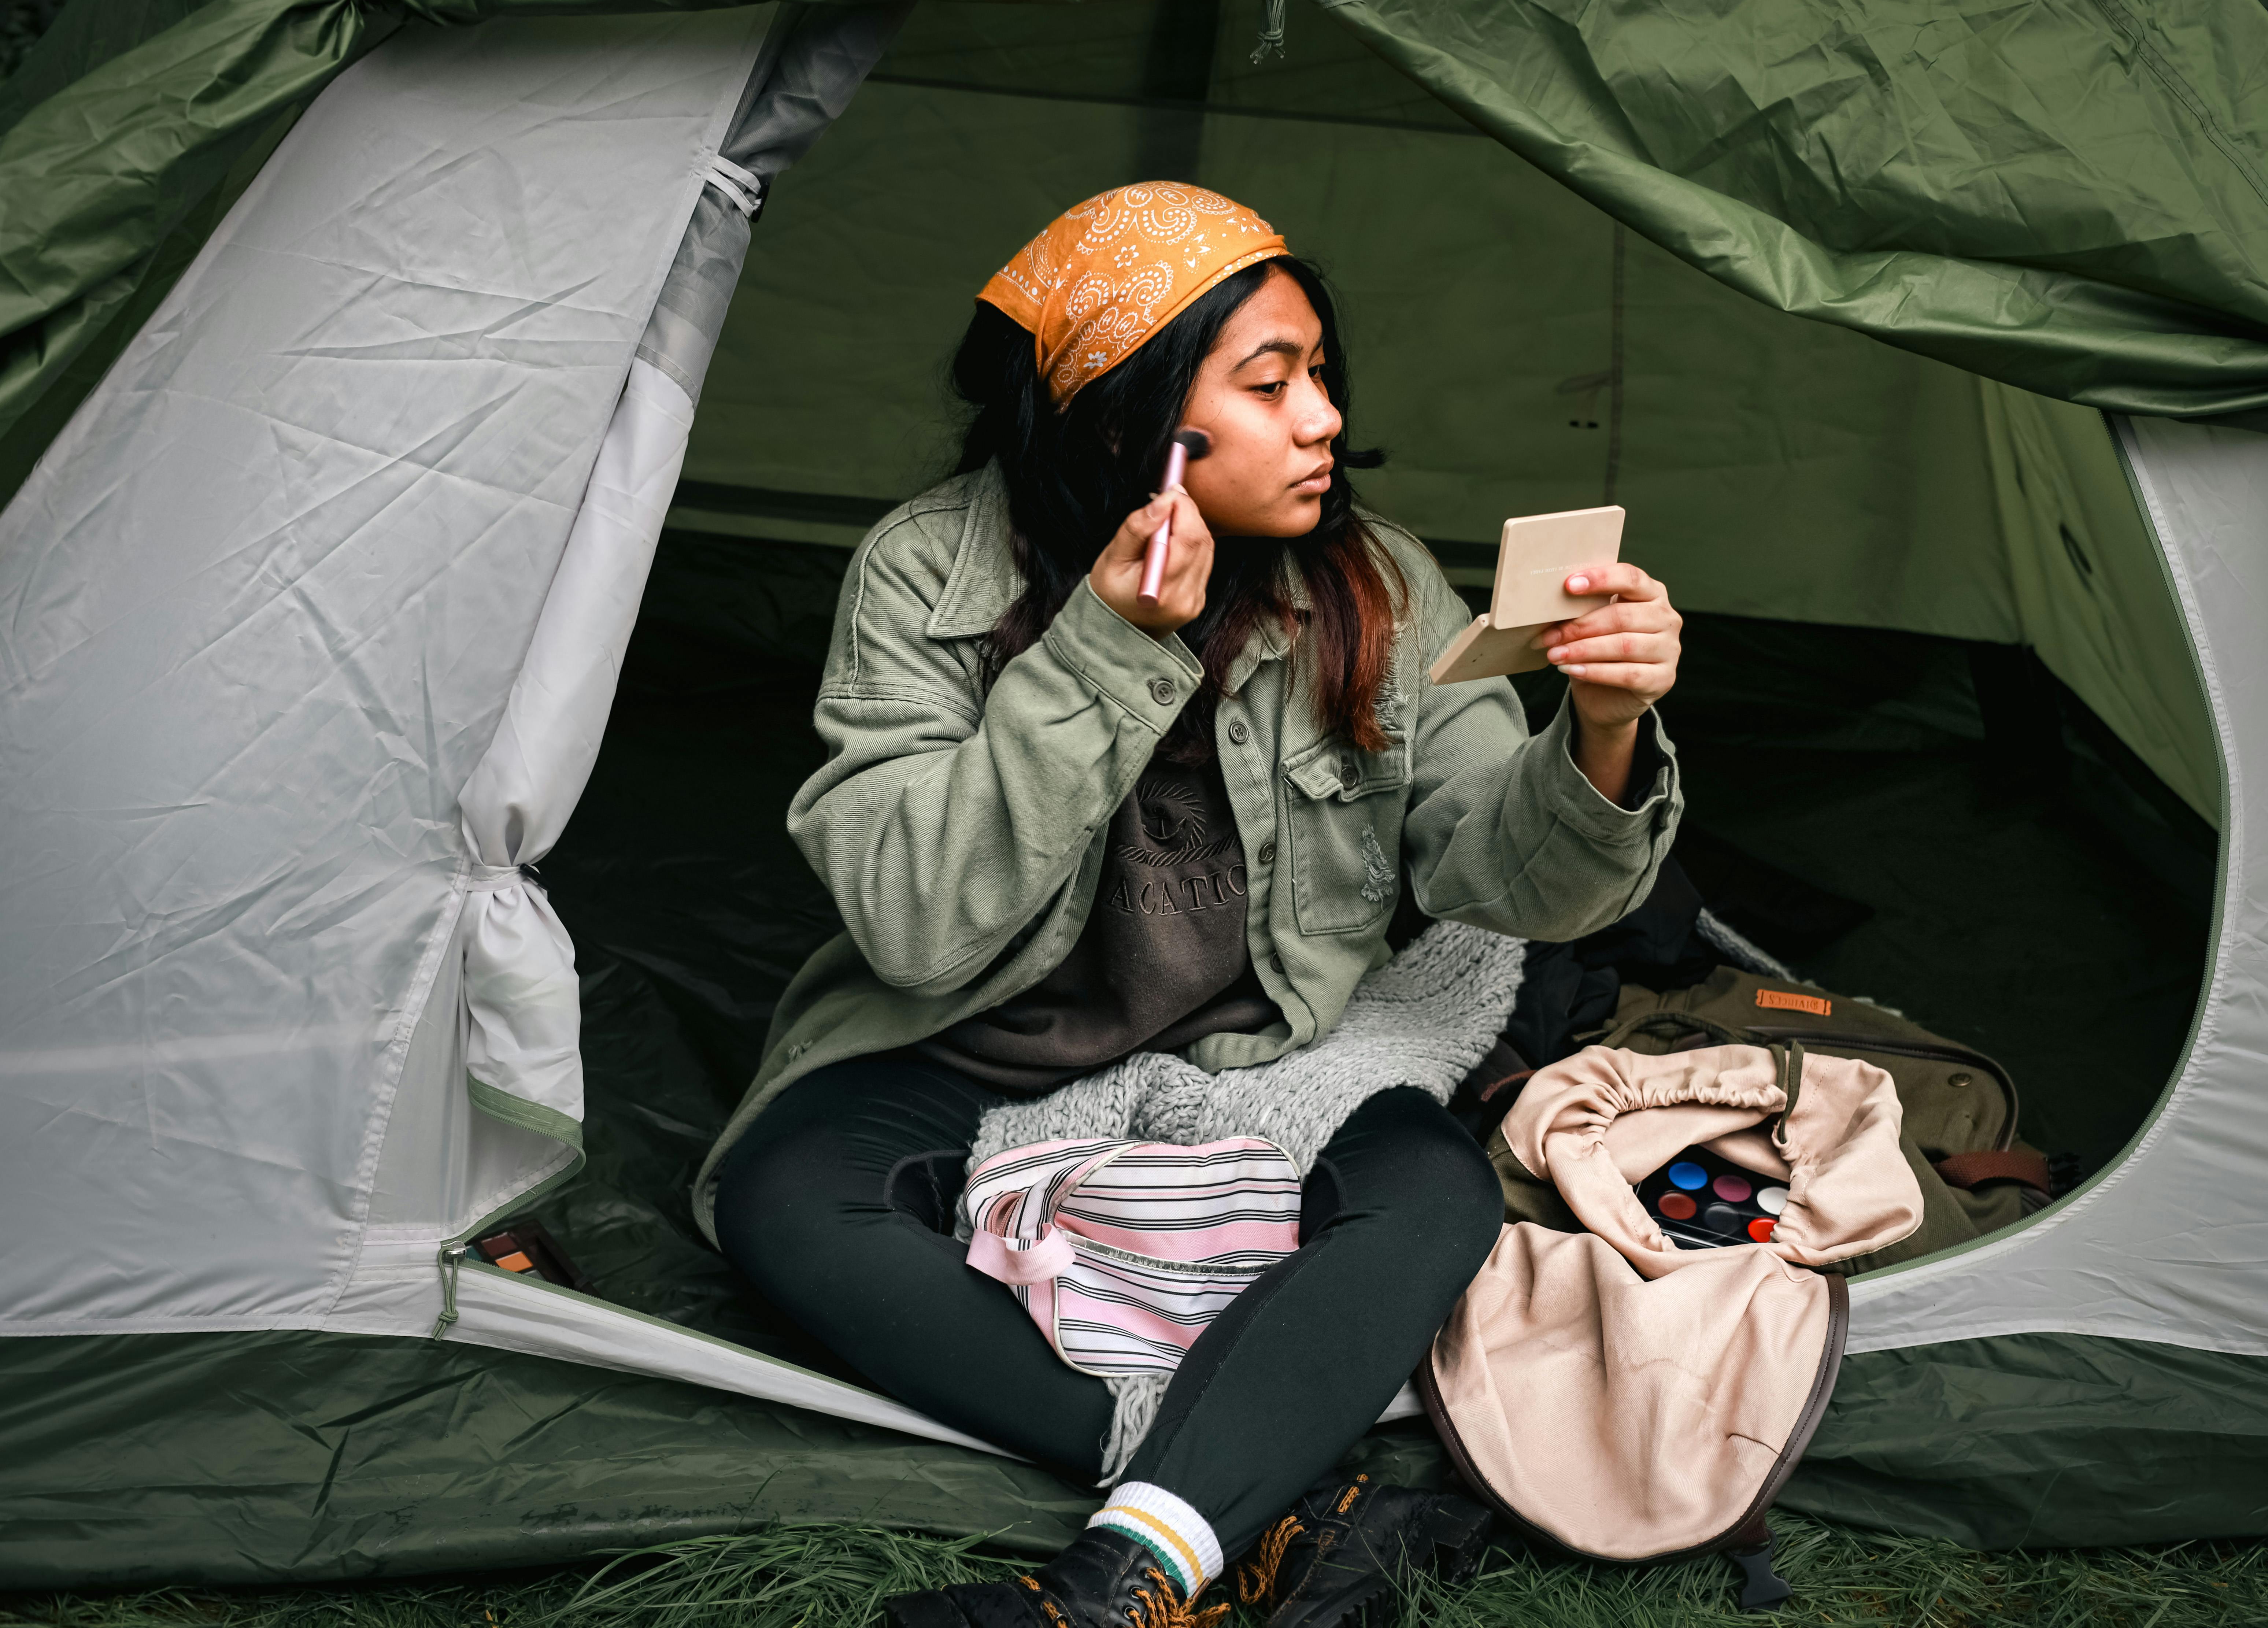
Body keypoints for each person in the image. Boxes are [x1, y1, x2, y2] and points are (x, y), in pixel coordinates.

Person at [699, 183, 1685, 1628]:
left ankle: (1115, 1584)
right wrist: (1106, 649)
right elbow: (916, 919)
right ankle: (1269, 1486)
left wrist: (1599, 731)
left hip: (1268, 1054)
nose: (1325, 420)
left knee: (1437, 1195)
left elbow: (1502, 871)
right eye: (1270, 385)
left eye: (1321, 377)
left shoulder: (1377, 580)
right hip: (975, 1050)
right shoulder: (928, 574)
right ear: (1125, 421)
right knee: (783, 1204)